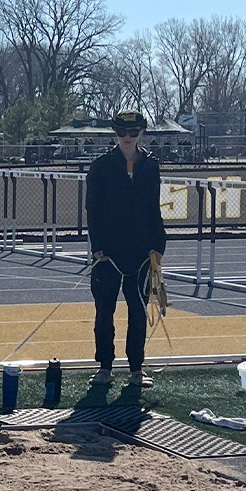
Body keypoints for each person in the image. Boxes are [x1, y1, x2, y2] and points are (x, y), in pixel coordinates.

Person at [85, 111, 167, 388]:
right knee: (104, 310)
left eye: (133, 133)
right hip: (108, 251)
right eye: (122, 133)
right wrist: (97, 246)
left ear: (141, 133)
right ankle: (105, 367)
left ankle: (136, 368)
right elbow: (92, 210)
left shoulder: (151, 166)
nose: (128, 138)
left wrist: (158, 244)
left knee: (138, 310)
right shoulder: (101, 167)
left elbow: (154, 208)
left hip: (142, 251)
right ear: (115, 134)